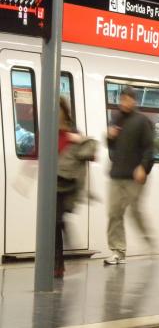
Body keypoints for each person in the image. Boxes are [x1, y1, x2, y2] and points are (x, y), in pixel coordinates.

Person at [105, 86, 155, 265]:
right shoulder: (116, 119)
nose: (124, 103)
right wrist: (110, 137)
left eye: (128, 99)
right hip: (117, 174)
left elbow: (149, 148)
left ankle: (148, 241)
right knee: (114, 212)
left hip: (135, 176)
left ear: (134, 101)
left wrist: (143, 167)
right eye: (122, 99)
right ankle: (118, 251)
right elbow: (111, 146)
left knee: (135, 211)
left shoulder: (142, 121)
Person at [55, 97, 97, 277]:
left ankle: (60, 263)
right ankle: (60, 263)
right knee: (56, 223)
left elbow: (90, 150)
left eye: (58, 110)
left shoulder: (72, 132)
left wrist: (77, 140)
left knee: (57, 221)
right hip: (53, 183)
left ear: (65, 111)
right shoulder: (49, 131)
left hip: (68, 183)